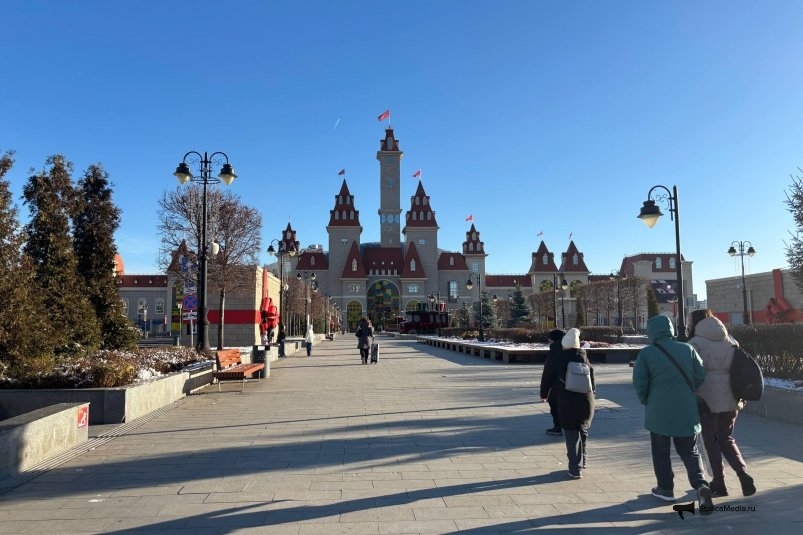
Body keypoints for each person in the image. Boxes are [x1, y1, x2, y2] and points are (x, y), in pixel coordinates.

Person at [633, 314, 714, 514]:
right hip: (686, 408)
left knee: (661, 451)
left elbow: (640, 382)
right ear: (670, 329)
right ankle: (700, 484)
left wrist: (646, 399)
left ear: (652, 331)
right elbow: (700, 374)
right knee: (690, 450)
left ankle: (665, 488)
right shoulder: (687, 349)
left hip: (658, 410)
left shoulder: (647, 354)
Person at [688, 309, 756, 498]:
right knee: (726, 438)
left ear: (696, 322)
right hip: (732, 396)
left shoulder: (695, 343)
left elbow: (692, 371)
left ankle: (719, 482)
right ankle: (742, 473)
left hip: (707, 398)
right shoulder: (730, 340)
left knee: (711, 441)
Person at [555, 328, 595, 479]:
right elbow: (593, 384)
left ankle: (575, 469)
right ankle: (582, 461)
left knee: (572, 435)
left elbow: (551, 377)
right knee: (583, 431)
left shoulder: (560, 359)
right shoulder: (586, 361)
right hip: (587, 402)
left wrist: (545, 394)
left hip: (568, 402)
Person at [540, 329, 566, 436]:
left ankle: (558, 427)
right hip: (574, 383)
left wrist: (544, 393)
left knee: (555, 404)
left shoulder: (554, 352)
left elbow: (548, 374)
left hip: (558, 385)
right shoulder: (573, 349)